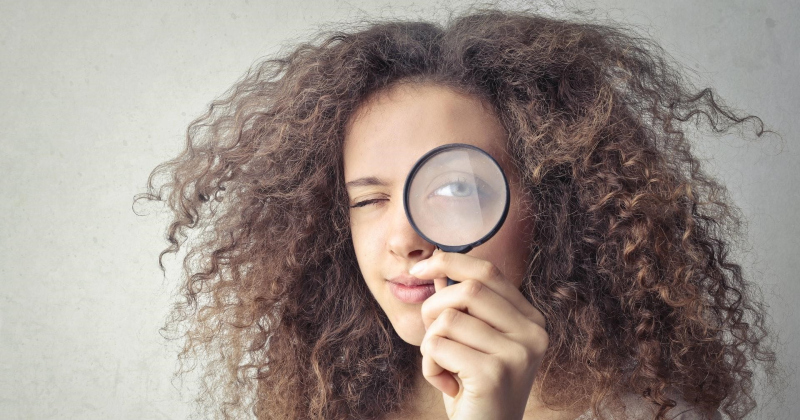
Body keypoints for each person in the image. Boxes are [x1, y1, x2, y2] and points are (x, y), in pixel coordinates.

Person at [140, 7, 779, 420]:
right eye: (366, 200)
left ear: (549, 205)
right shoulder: (320, 401)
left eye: (455, 190)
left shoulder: (652, 409)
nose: (405, 237)